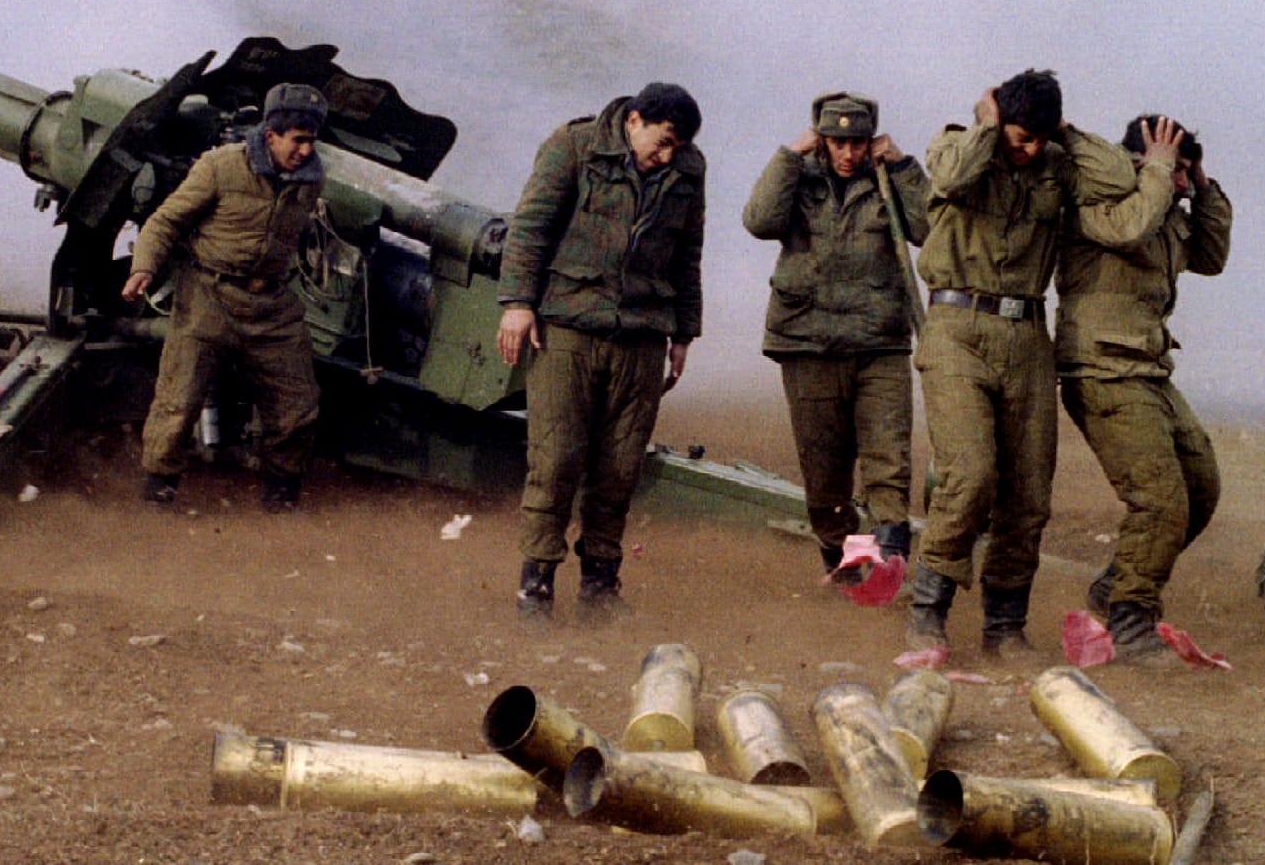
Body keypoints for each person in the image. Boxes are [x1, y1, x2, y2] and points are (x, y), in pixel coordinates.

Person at [908, 69, 1169, 658]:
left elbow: (1122, 176)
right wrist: (988, 124)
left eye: (1036, 140)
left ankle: (1005, 626)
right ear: (999, 119)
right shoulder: (959, 144)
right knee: (971, 473)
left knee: (1028, 492)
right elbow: (949, 175)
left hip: (1027, 334)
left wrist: (1064, 133)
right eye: (1017, 137)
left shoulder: (1058, 160)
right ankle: (928, 612)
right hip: (956, 328)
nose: (1025, 151)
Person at [495, 82, 705, 622]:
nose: (667, 156)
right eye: (661, 142)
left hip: (641, 336)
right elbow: (531, 226)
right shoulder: (575, 146)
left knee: (619, 468)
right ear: (633, 120)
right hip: (568, 328)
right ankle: (535, 587)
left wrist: (683, 333)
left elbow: (687, 255)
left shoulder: (688, 169)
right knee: (556, 458)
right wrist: (518, 302)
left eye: (677, 147)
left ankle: (600, 588)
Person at [1056, 115, 1232, 664]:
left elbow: (1211, 257)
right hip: (1102, 367)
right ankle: (1131, 619)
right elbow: (1129, 230)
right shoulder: (1099, 202)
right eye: (1171, 168)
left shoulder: (1168, 213)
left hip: (1148, 368)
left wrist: (1202, 186)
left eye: (1182, 171)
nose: (1177, 181)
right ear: (1137, 161)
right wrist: (1158, 169)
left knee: (1200, 488)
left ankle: (1116, 586)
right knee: (1160, 501)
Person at [741, 92, 931, 582]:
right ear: (821, 140)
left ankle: (890, 550)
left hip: (879, 342)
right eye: (837, 141)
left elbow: (930, 228)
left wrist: (905, 166)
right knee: (826, 474)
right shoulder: (798, 179)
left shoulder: (888, 180)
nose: (848, 153)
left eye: (858, 142)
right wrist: (789, 156)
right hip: (808, 340)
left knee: (889, 455)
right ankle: (846, 562)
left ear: (872, 141)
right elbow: (759, 221)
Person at [121, 83, 329, 512]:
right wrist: (144, 267)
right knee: (178, 401)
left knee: (298, 405)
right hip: (209, 296)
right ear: (271, 135)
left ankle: (281, 496)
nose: (306, 151)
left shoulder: (312, 178)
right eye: (298, 140)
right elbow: (166, 221)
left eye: (311, 141)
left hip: (271, 304)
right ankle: (157, 494)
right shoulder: (220, 167)